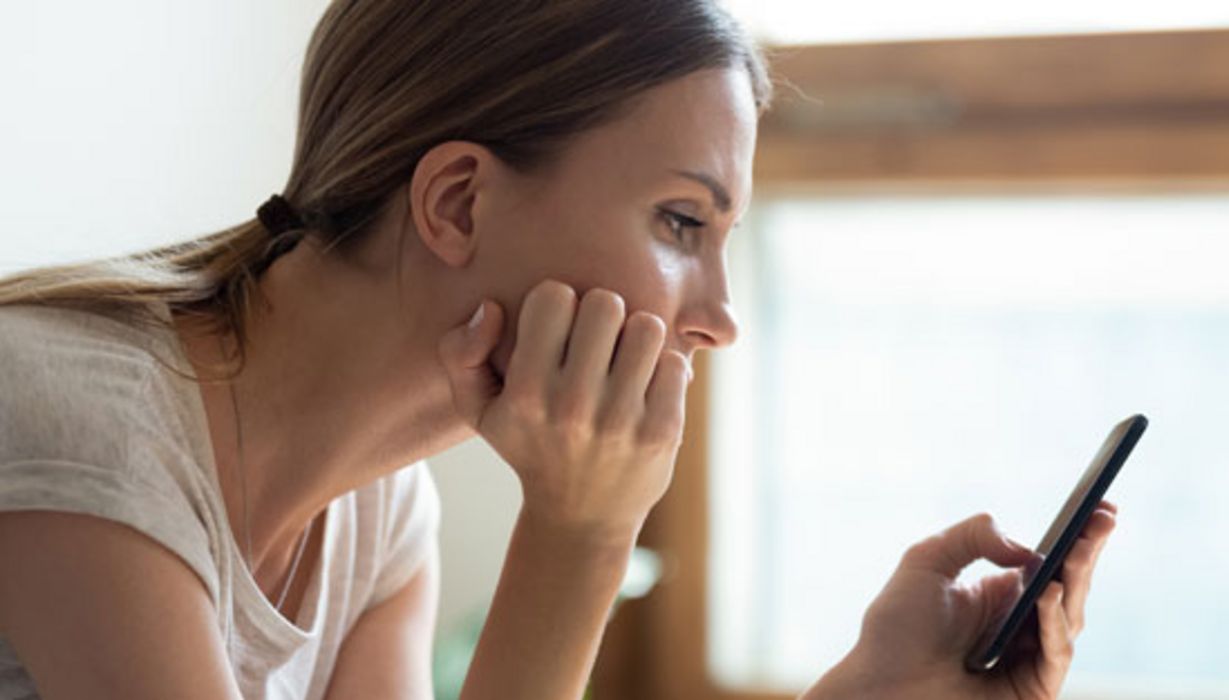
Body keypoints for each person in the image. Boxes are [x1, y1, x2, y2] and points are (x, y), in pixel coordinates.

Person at [0, 1, 1116, 698]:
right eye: (684, 223)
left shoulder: (383, 514)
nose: (719, 314)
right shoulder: (81, 429)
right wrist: (581, 536)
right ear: (458, 201)